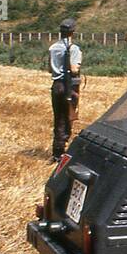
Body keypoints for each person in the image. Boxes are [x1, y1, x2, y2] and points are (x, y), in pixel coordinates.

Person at [48, 18, 82, 162]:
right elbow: (74, 70)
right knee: (68, 117)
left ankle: (57, 150)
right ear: (73, 32)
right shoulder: (73, 48)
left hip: (56, 85)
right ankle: (61, 152)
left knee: (58, 118)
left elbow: (50, 69)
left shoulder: (53, 48)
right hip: (69, 86)